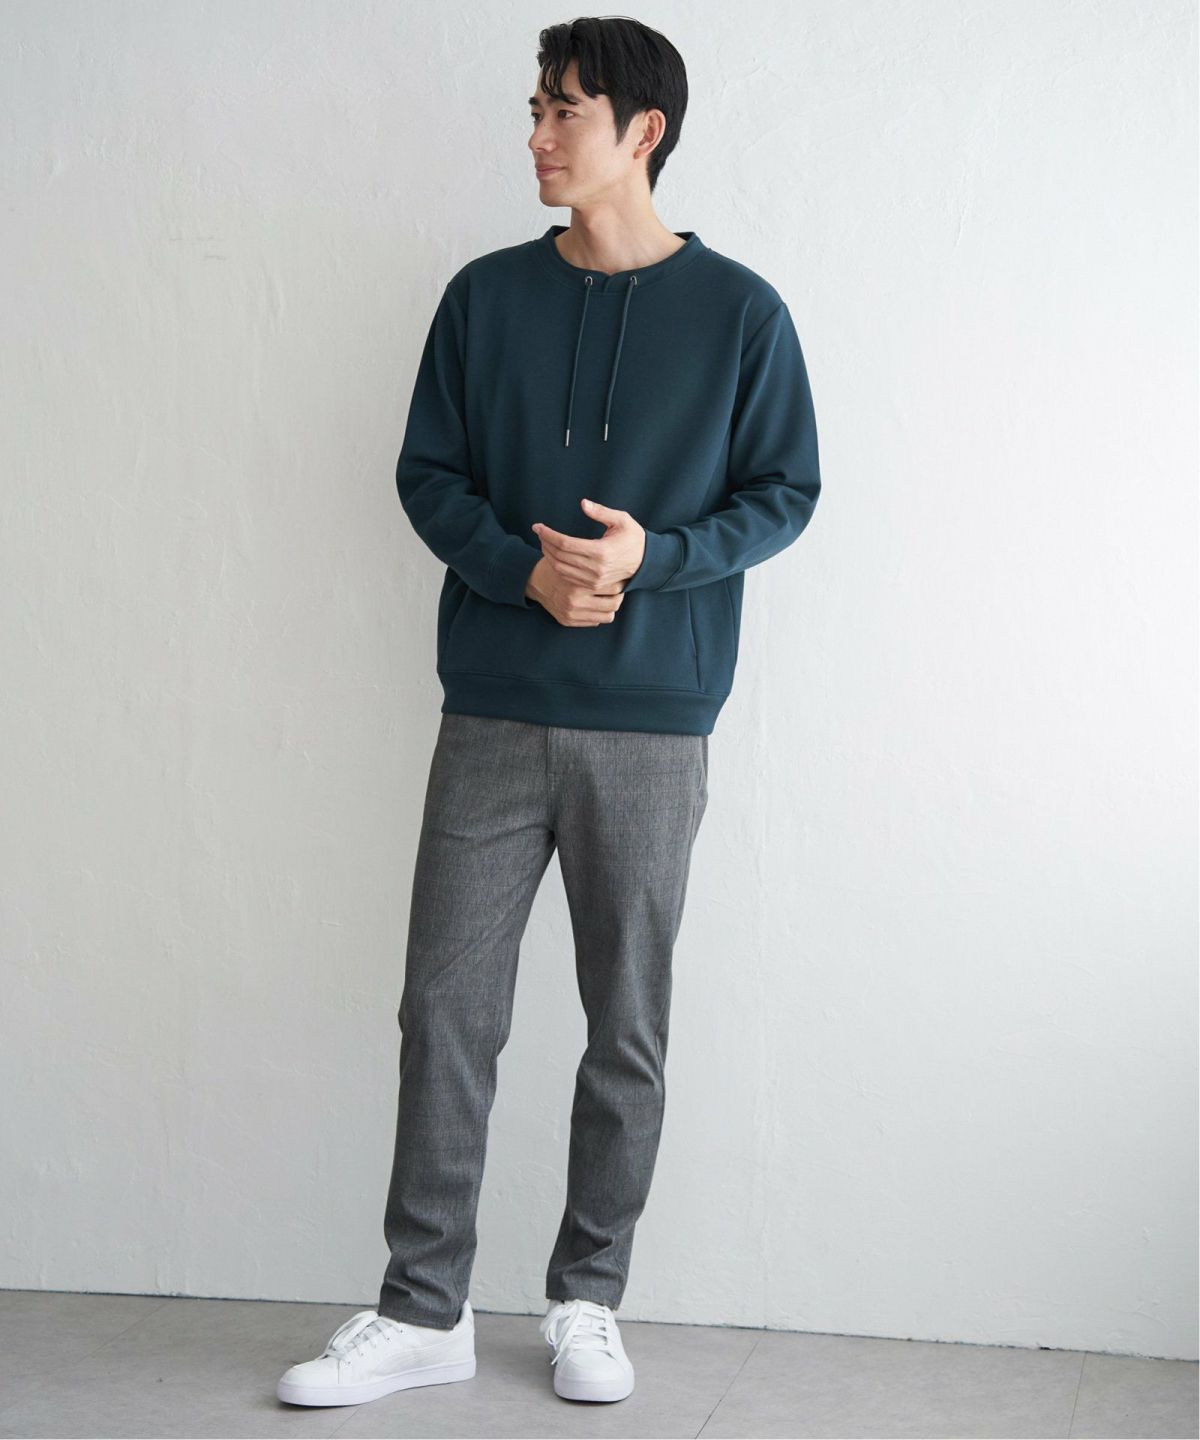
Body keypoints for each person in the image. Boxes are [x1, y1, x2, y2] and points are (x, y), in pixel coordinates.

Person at [277, 14, 820, 1410]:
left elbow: (785, 494)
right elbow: (429, 474)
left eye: (562, 111)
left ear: (643, 132)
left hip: (654, 717)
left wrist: (655, 559)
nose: (534, 135)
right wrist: (521, 572)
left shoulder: (744, 314)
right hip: (494, 708)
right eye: (534, 108)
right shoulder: (483, 298)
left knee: (624, 1024)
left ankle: (589, 1297)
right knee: (444, 1009)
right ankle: (423, 1310)